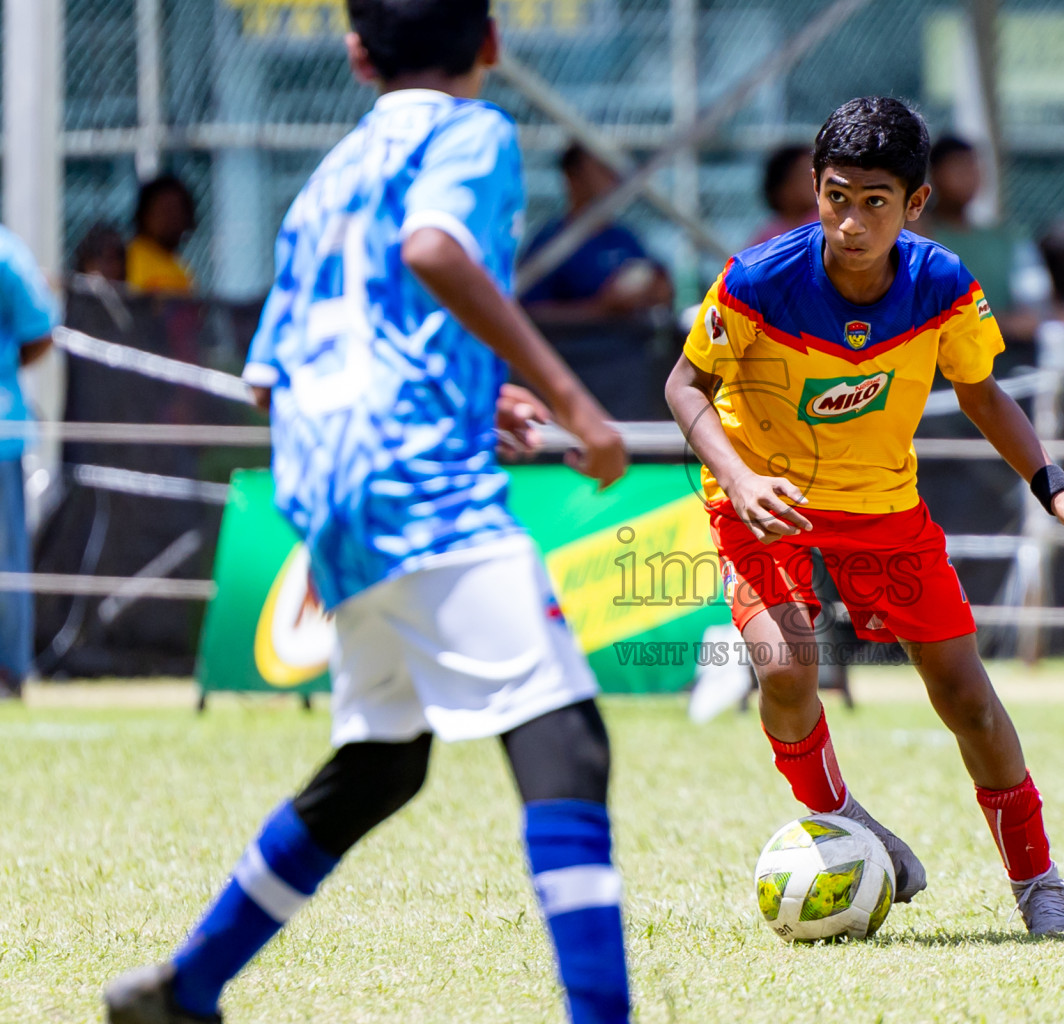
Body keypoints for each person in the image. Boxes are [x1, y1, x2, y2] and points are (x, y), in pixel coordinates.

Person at [103, 3, 630, 1023]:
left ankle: (190, 984)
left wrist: (479, 396)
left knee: (386, 760)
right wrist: (567, 396)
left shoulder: (328, 179)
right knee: (567, 740)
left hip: (330, 491)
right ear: (490, 44)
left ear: (355, 55)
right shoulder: (471, 131)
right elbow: (436, 249)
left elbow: (276, 375)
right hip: (421, 486)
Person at [664, 97, 1064, 936]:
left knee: (966, 696)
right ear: (814, 188)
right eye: (837, 196)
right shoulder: (758, 278)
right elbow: (684, 386)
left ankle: (1040, 886)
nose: (852, 220)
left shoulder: (943, 284)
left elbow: (981, 392)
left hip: (883, 508)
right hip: (767, 505)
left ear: (915, 205)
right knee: (786, 669)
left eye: (876, 201)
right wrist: (736, 478)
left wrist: (1055, 487)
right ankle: (850, 823)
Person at [916, 135, 1056, 341]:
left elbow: (1036, 297)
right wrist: (1000, 323)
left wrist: (1053, 313)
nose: (968, 177)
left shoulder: (1006, 237)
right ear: (934, 175)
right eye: (958, 168)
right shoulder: (920, 238)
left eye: (973, 168)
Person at [0, 226, 59, 700]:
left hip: (1, 434)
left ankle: (8, 673)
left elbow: (40, 331)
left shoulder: (4, 253)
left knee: (5, 560)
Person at [520, 143, 672, 320]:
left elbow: (661, 291)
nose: (612, 174)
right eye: (602, 166)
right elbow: (528, 314)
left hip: (631, 343)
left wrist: (658, 288)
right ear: (572, 175)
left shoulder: (624, 238)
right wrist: (601, 307)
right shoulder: (549, 243)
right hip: (577, 346)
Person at [127, 175, 197, 295]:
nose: (172, 219)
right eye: (165, 210)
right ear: (145, 215)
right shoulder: (131, 258)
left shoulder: (180, 266)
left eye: (178, 211)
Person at [748, 144, 818, 246]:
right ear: (781, 186)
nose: (815, 182)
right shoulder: (767, 240)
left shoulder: (829, 224)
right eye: (805, 176)